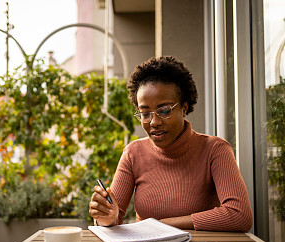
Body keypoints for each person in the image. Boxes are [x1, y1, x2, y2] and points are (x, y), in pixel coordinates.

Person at [89, 56, 253, 232]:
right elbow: (112, 219)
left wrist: (159, 225)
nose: (154, 122)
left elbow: (239, 215)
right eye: (145, 114)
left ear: (184, 107)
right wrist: (107, 219)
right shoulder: (133, 153)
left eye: (164, 111)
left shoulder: (214, 150)